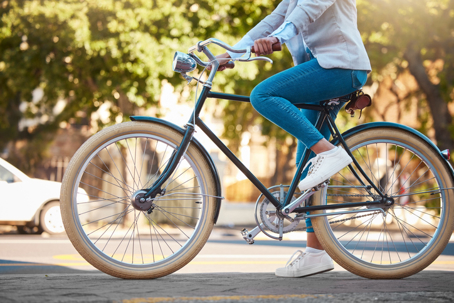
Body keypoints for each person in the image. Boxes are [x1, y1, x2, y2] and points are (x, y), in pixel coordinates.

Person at [214, 0, 371, 278]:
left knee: (263, 94)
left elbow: (307, 10)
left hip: (339, 67)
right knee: (305, 164)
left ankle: (329, 152)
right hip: (324, 70)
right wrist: (231, 54)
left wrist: (277, 38)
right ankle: (315, 255)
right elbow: (274, 19)